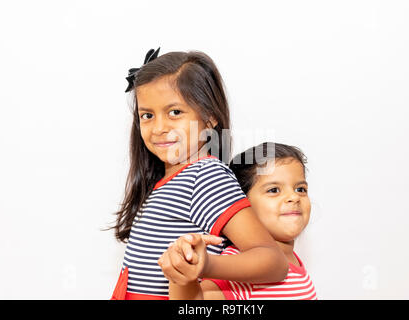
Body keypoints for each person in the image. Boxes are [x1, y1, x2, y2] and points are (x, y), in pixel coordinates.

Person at [110, 48, 288, 300]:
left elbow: (273, 262)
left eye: (175, 112)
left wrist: (207, 266)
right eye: (147, 115)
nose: (159, 128)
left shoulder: (205, 176)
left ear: (209, 117)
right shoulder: (166, 181)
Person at [160, 142, 317, 300]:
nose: (294, 197)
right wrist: (184, 272)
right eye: (274, 190)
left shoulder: (295, 261)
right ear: (244, 204)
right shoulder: (239, 264)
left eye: (300, 189)